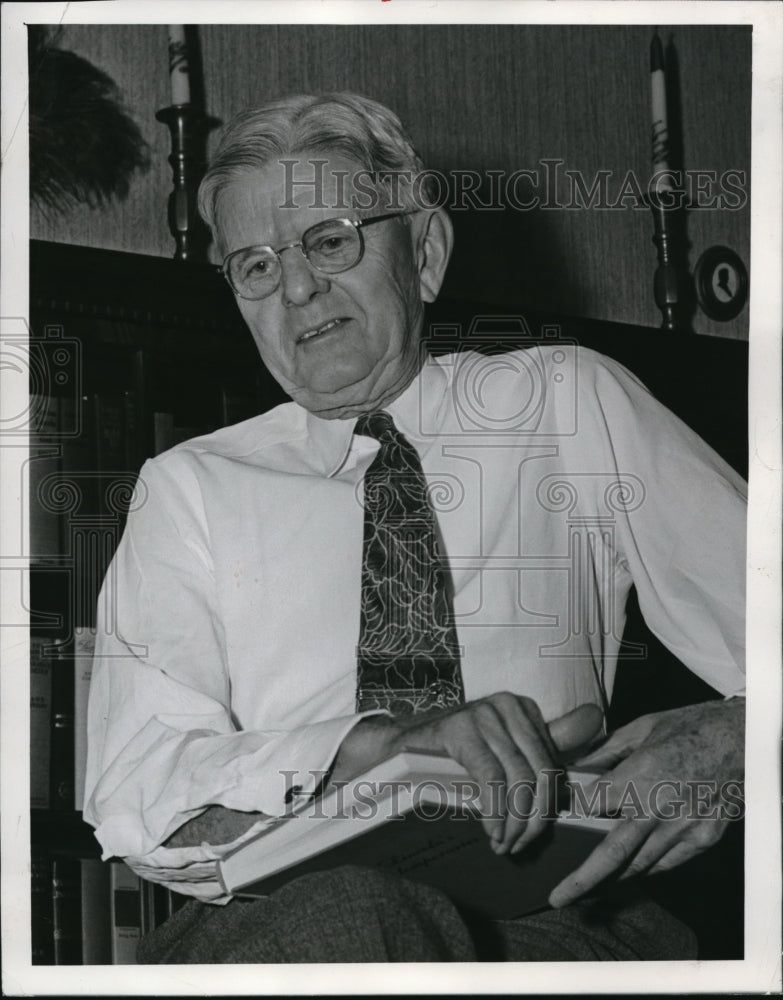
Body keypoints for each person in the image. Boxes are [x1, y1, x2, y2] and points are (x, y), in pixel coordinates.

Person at [84, 92, 746, 963]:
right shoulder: (188, 488)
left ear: (424, 252)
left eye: (329, 240)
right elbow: (135, 787)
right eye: (253, 265)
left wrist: (730, 742)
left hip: (554, 917)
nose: (294, 287)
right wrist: (373, 752)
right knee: (351, 910)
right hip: (279, 918)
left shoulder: (566, 401)